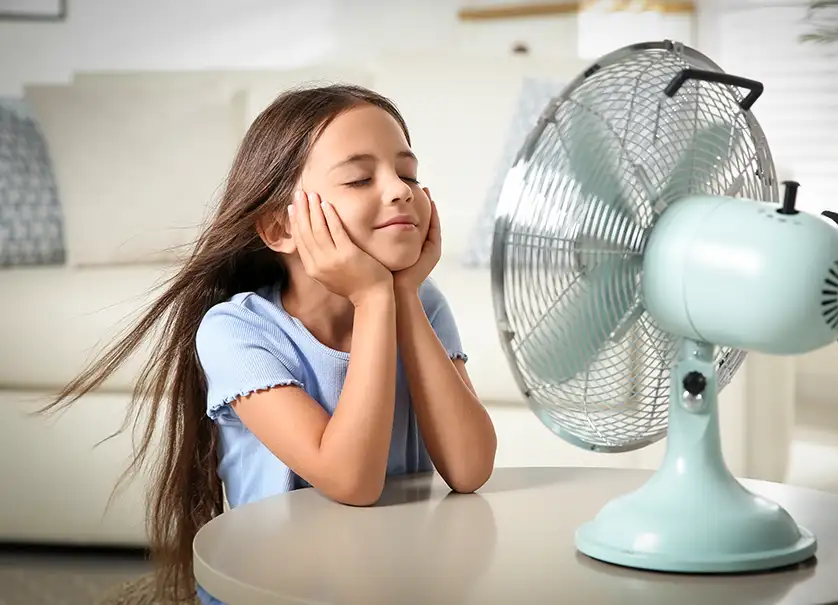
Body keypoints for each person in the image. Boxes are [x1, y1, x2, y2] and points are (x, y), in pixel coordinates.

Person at [39, 84, 498, 604]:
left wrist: (403, 297)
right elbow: (353, 481)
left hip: (389, 582)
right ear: (281, 228)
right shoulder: (236, 331)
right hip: (273, 590)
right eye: (359, 178)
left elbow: (469, 468)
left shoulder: (420, 302)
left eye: (408, 173)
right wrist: (373, 300)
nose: (400, 190)